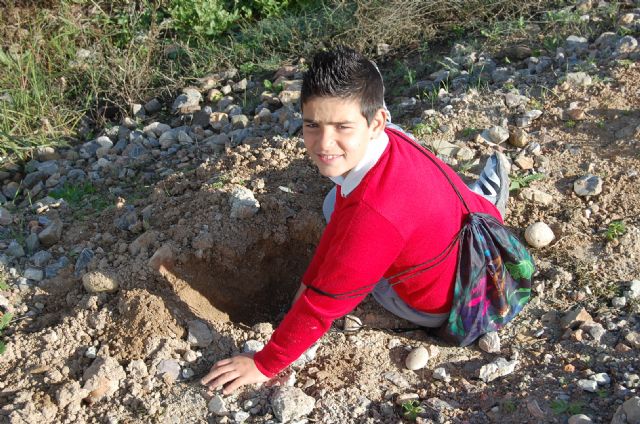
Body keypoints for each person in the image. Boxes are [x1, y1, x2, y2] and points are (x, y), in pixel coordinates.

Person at [201, 46, 510, 394]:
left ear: (374, 121)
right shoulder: (392, 138)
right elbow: (345, 225)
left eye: (341, 127)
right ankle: (484, 196)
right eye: (312, 125)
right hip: (483, 231)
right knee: (338, 200)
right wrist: (307, 280)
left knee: (346, 221)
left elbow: (321, 307)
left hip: (446, 304)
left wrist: (264, 363)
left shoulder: (374, 216)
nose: (323, 143)